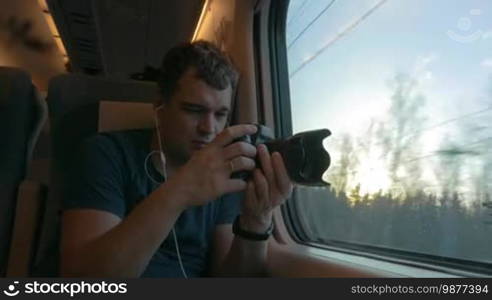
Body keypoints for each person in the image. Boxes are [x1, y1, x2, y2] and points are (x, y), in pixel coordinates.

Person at [60, 40, 293, 277]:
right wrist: (181, 191)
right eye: (194, 110)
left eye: (221, 114)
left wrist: (255, 222)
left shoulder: (228, 175)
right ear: (160, 105)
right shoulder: (105, 154)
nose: (209, 128)